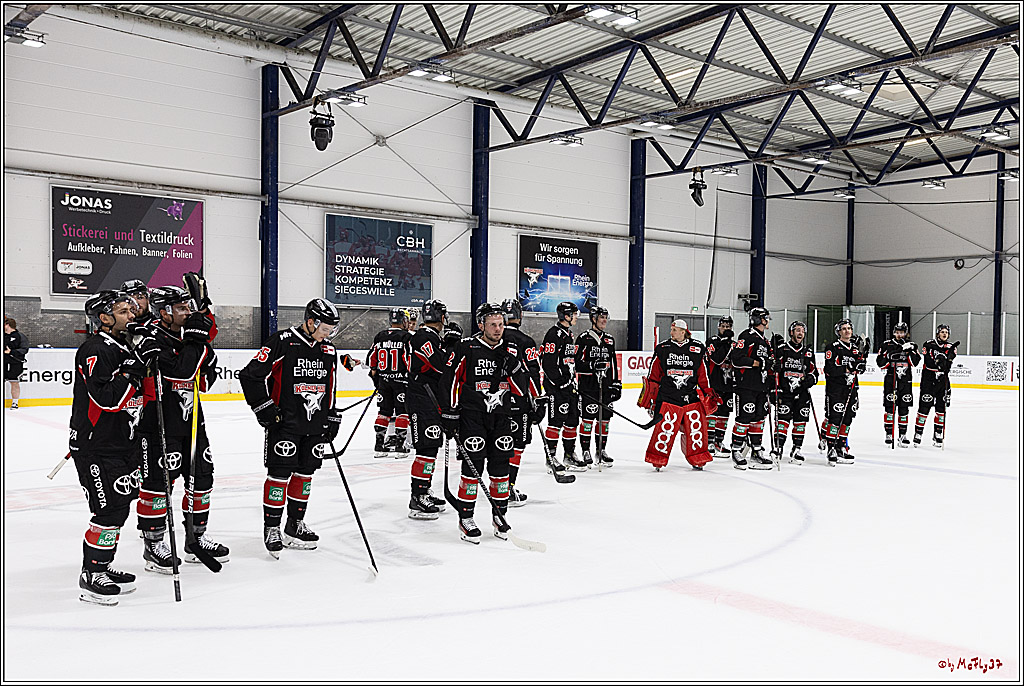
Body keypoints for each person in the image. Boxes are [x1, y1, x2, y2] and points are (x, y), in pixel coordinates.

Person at [240, 299, 346, 558]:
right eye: (325, 328)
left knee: (305, 476)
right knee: (279, 476)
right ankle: (272, 527)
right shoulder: (283, 342)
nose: (328, 334)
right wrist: (264, 408)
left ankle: (294, 523)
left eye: (331, 330)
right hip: (284, 426)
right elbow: (250, 375)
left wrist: (331, 415)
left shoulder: (328, 351)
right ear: (311, 322)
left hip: (314, 426)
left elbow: (330, 385)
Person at [134, 285, 228, 572]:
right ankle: (153, 546)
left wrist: (201, 346)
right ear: (164, 312)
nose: (188, 313)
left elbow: (206, 375)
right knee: (157, 487)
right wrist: (198, 343)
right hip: (158, 424)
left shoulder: (189, 337)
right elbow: (181, 370)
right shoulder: (147, 336)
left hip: (192, 423)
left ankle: (195, 539)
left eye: (189, 307)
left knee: (203, 479)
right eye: (182, 309)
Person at [72, 291, 156, 605]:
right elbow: (106, 399)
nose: (131, 315)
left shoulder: (125, 346)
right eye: (122, 311)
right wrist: (134, 369)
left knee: (119, 508)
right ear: (104, 318)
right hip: (97, 446)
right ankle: (91, 575)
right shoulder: (96, 348)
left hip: (123, 443)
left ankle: (102, 565)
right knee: (107, 510)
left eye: (130, 309)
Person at [440, 303, 528, 544]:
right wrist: (449, 413)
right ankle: (465, 517)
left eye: (501, 324)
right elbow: (450, 381)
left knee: (501, 470)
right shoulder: (466, 347)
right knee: (472, 470)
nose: (498, 329)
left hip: (501, 418)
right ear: (481, 325)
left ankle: (500, 515)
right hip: (472, 417)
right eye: (493, 324)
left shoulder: (510, 349)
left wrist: (516, 371)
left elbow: (521, 386)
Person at [405, 299, 461, 519]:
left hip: (428, 399)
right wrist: (451, 345)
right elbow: (441, 366)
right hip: (422, 400)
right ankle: (417, 497)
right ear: (442, 317)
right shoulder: (424, 337)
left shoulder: (429, 337)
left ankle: (423, 490)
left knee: (430, 447)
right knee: (426, 449)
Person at [637, 319, 718, 470]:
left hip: (690, 397)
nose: (671, 332)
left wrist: (708, 394)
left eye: (674, 330)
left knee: (695, 429)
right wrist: (649, 400)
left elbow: (703, 375)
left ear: (683, 332)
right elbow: (653, 376)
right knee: (664, 429)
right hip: (667, 397)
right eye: (671, 329)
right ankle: (657, 459)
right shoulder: (663, 348)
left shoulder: (697, 348)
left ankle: (697, 458)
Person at [500, 298, 555, 502]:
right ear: (520, 316)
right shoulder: (525, 341)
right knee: (517, 445)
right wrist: (538, 401)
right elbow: (533, 373)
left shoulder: (489, 339)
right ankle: (507, 488)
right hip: (518, 402)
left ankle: (496, 486)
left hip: (493, 402)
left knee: (497, 443)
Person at [727, 307, 776, 470]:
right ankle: (736, 449)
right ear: (759, 319)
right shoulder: (746, 336)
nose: (767, 321)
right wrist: (757, 363)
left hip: (761, 387)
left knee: (758, 419)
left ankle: (756, 450)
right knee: (744, 418)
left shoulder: (765, 340)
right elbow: (736, 359)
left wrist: (772, 363)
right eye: (765, 318)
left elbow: (768, 364)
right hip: (746, 385)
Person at [541, 301, 585, 470]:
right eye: (574, 314)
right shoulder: (553, 335)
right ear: (566, 316)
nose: (576, 317)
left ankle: (569, 455)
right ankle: (551, 457)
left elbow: (569, 362)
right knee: (556, 422)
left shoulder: (569, 334)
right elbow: (548, 363)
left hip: (569, 387)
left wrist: (571, 381)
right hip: (557, 388)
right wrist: (561, 382)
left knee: (573, 420)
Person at [575, 305, 619, 467]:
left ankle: (601, 450)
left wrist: (616, 383)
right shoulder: (583, 338)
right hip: (589, 387)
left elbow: (613, 363)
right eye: (602, 318)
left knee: (604, 421)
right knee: (587, 420)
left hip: (605, 387)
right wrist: (592, 366)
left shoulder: (609, 339)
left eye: (606, 318)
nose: (604, 321)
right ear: (593, 319)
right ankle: (585, 450)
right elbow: (577, 363)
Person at [771, 321, 818, 464]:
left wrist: (810, 379)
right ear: (791, 332)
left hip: (802, 393)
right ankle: (778, 448)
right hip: (785, 392)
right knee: (782, 421)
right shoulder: (782, 349)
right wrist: (774, 389)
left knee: (801, 421)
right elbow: (773, 369)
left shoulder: (808, 352)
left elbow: (814, 372)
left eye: (802, 331)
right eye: (797, 330)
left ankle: (797, 448)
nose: (800, 333)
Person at [367, 308, 412, 457]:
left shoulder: (380, 336)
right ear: (404, 321)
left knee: (384, 412)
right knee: (402, 412)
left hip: (384, 382)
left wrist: (377, 377)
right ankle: (400, 447)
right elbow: (408, 360)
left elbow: (372, 360)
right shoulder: (406, 337)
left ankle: (379, 446)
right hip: (401, 382)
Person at [823, 318, 865, 465]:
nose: (847, 331)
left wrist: (861, 363)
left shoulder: (854, 348)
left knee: (847, 419)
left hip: (851, 389)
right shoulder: (832, 347)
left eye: (849, 328)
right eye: (844, 329)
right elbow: (829, 369)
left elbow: (858, 367)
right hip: (836, 389)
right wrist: (847, 369)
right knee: (835, 419)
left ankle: (841, 447)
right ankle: (831, 448)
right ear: (838, 332)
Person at [876, 322, 921, 447]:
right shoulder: (886, 345)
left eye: (902, 332)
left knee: (904, 409)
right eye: (897, 332)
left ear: (906, 333)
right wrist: (892, 355)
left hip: (905, 381)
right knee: (890, 408)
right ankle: (889, 433)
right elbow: (880, 363)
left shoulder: (912, 345)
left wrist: (910, 351)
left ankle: (902, 435)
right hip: (891, 380)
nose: (899, 335)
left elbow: (915, 363)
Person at [914, 324, 957, 447]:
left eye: (946, 332)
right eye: (942, 332)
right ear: (937, 333)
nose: (944, 334)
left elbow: (949, 362)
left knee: (941, 408)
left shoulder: (951, 347)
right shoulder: (928, 344)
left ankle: (938, 433)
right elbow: (928, 361)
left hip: (942, 380)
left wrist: (946, 361)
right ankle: (918, 432)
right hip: (929, 379)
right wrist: (938, 361)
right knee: (924, 407)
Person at [705, 315, 736, 454]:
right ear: (718, 327)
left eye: (728, 327)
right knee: (713, 413)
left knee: (724, 414)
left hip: (729, 385)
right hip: (714, 384)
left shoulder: (734, 344)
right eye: (723, 326)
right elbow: (717, 359)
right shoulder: (712, 341)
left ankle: (719, 441)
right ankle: (709, 441)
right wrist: (725, 343)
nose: (725, 329)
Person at [4, 316, 28, 409]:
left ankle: (15, 403)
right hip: (3, 363)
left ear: (7, 325)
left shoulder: (20, 336)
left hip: (15, 363)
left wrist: (11, 352)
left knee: (14, 382)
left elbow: (24, 349)